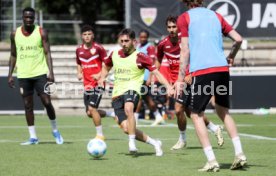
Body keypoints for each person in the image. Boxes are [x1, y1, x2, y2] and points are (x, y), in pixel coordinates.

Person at [177, 0, 246, 172]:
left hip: (202, 71)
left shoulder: (184, 18)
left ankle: (212, 160)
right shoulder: (216, 16)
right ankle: (240, 153)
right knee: (223, 111)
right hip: (222, 69)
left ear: (186, 2)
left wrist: (180, 78)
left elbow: (185, 50)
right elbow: (238, 39)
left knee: (195, 114)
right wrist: (231, 56)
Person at [98, 28, 173, 156]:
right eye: (121, 41)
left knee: (129, 108)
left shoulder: (141, 57)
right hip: (117, 93)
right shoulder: (114, 54)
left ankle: (131, 143)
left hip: (133, 89)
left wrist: (168, 86)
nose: (123, 43)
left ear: (134, 41)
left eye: (126, 41)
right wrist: (101, 78)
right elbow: (106, 67)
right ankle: (155, 143)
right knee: (127, 128)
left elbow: (156, 72)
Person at [157, 15, 224, 151]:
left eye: (174, 26)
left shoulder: (188, 41)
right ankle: (214, 128)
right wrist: (158, 77)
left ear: (178, 27)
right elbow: (157, 62)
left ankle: (182, 139)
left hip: (190, 78)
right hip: (177, 81)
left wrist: (190, 73)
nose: (171, 30)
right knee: (190, 112)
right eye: (169, 27)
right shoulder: (163, 44)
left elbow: (199, 56)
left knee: (178, 109)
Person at [8, 7, 63, 145]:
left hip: (40, 73)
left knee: (47, 102)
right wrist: (10, 74)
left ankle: (55, 130)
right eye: (26, 17)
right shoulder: (14, 34)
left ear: (34, 19)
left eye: (31, 17)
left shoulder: (41, 32)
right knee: (28, 105)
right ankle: (33, 137)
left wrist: (51, 72)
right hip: (23, 75)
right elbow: (13, 54)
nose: (28, 20)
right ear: (22, 18)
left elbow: (47, 53)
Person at [76, 25, 107, 140]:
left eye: (89, 34)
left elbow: (107, 64)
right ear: (82, 36)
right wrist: (79, 72)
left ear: (93, 35)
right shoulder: (79, 49)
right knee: (89, 113)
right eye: (85, 34)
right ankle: (110, 114)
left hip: (98, 84)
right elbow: (79, 63)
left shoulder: (98, 48)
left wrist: (100, 75)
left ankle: (100, 135)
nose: (87, 36)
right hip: (87, 84)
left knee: (92, 108)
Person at [135, 30, 164, 126]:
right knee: (146, 98)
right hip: (139, 76)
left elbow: (151, 63)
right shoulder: (139, 46)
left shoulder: (150, 47)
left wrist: (150, 78)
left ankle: (135, 119)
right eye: (141, 37)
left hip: (145, 76)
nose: (143, 38)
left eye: (144, 37)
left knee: (138, 97)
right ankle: (158, 116)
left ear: (147, 37)